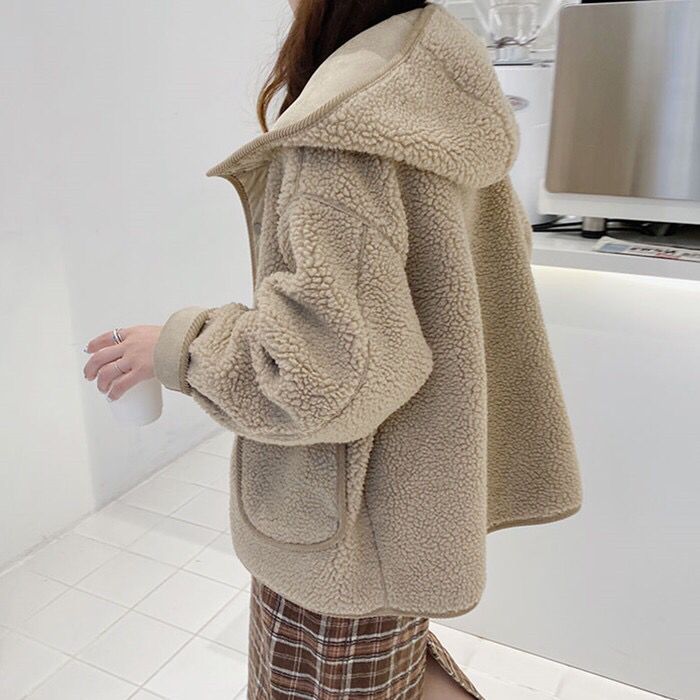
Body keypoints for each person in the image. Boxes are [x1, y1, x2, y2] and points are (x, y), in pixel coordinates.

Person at [83, 1, 583, 697]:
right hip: (400, 504)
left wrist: (178, 347)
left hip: (347, 528)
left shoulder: (345, 129)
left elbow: (322, 376)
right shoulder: (434, 76)